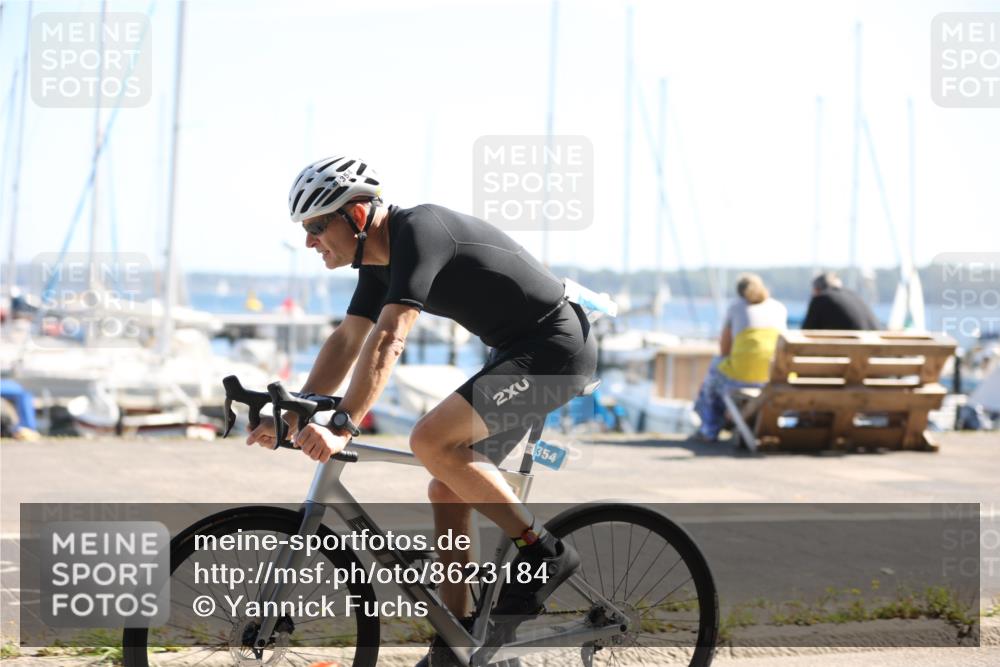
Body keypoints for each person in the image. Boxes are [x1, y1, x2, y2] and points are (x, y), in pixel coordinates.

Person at [246, 156, 597, 665]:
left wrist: (344, 424)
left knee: (430, 441)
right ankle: (455, 642)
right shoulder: (377, 262)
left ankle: (544, 552)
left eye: (317, 227)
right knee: (446, 482)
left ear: (359, 216)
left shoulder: (420, 231)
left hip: (556, 349)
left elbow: (389, 339)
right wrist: (296, 414)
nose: (308, 242)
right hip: (518, 351)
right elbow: (349, 339)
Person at [693, 274, 787, 442]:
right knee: (718, 374)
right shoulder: (779, 308)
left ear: (739, 292)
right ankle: (733, 420)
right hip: (772, 376)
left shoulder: (736, 307)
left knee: (714, 373)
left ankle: (710, 428)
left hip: (742, 375)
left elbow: (724, 350)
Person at [802, 272, 881, 330]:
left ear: (817, 289)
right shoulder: (853, 295)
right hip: (876, 349)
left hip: (854, 349)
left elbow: (806, 332)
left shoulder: (820, 298)